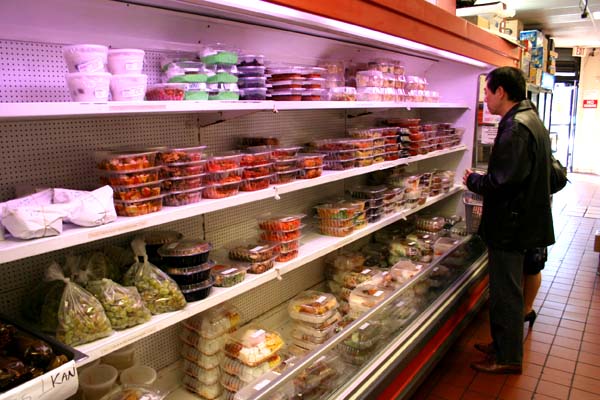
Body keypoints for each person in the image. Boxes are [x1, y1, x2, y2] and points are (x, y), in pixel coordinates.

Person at [463, 66, 555, 374]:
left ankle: (507, 357)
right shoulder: (531, 118)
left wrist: (473, 180)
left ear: (501, 91)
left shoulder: (515, 127)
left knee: (506, 293)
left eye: (487, 91)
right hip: (524, 220)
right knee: (509, 290)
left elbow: (502, 183)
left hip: (510, 225)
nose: (485, 98)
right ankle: (502, 345)